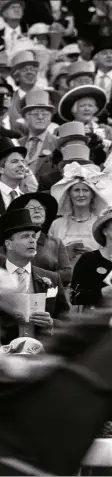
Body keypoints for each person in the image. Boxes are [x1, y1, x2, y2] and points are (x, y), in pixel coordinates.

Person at [0, 207, 69, 343]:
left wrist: (51, 323)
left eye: (33, 236)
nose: (32, 241)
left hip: (42, 353)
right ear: (9, 244)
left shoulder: (53, 278)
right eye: (25, 236)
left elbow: (66, 321)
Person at [7, 191, 72, 287]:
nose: (37, 211)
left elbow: (67, 274)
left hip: (49, 295)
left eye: (40, 208)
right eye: (31, 208)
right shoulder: (10, 241)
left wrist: (41, 279)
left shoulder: (55, 243)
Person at [50, 161, 108, 266]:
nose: (81, 194)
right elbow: (49, 257)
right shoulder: (56, 224)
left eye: (85, 190)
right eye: (76, 190)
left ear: (92, 194)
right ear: (69, 194)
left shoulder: (101, 223)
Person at [71, 207, 112, 310]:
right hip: (95, 322)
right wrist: (101, 293)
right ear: (104, 231)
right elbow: (74, 297)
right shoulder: (89, 260)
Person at [58, 84, 112, 164]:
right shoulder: (62, 131)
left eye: (90, 106)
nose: (87, 109)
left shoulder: (106, 130)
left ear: (95, 109)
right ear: (74, 109)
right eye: (82, 106)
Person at [20, 88, 56, 178]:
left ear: (50, 118)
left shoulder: (58, 144)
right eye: (35, 114)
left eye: (45, 114)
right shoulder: (17, 144)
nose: (40, 117)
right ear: (26, 117)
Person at [9, 50, 39, 135]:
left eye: (32, 69)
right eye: (25, 70)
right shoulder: (9, 99)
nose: (30, 72)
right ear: (17, 77)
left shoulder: (47, 96)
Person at [0, 137, 26, 214]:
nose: (21, 165)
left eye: (23, 161)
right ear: (1, 169)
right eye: (14, 161)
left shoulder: (26, 199)